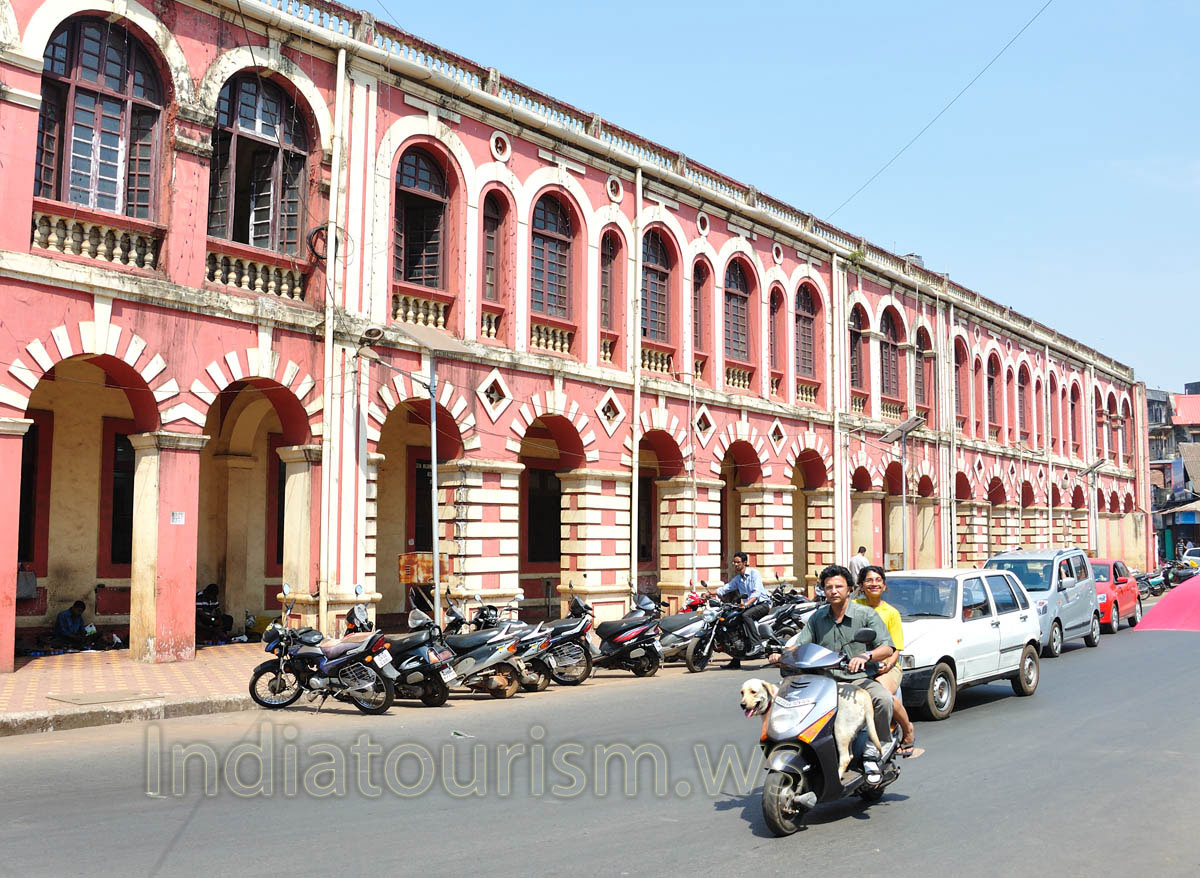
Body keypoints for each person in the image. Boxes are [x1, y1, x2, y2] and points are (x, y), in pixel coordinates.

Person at [785, 564, 895, 744]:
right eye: (829, 587)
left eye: (838, 586)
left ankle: (878, 745)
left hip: (859, 679)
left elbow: (887, 647)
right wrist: (781, 655)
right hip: (824, 682)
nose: (833, 591)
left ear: (850, 589)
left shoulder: (866, 614)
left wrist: (866, 656)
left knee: (883, 699)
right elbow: (799, 644)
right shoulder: (817, 617)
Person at [856, 566, 916, 756]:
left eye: (877, 580)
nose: (873, 584)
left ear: (884, 586)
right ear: (861, 585)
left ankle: (908, 730)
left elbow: (896, 647)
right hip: (856, 665)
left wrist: (886, 665)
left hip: (886, 666)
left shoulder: (891, 613)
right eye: (869, 580)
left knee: (884, 697)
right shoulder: (853, 607)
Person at [715, 551, 771, 669]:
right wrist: (710, 593)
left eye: (738, 562)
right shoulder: (738, 579)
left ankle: (757, 645)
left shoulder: (754, 574)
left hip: (762, 604)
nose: (735, 564)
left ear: (745, 563)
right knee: (735, 623)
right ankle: (736, 660)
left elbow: (756, 593)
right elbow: (726, 588)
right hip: (749, 605)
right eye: (734, 562)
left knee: (746, 615)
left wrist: (746, 604)